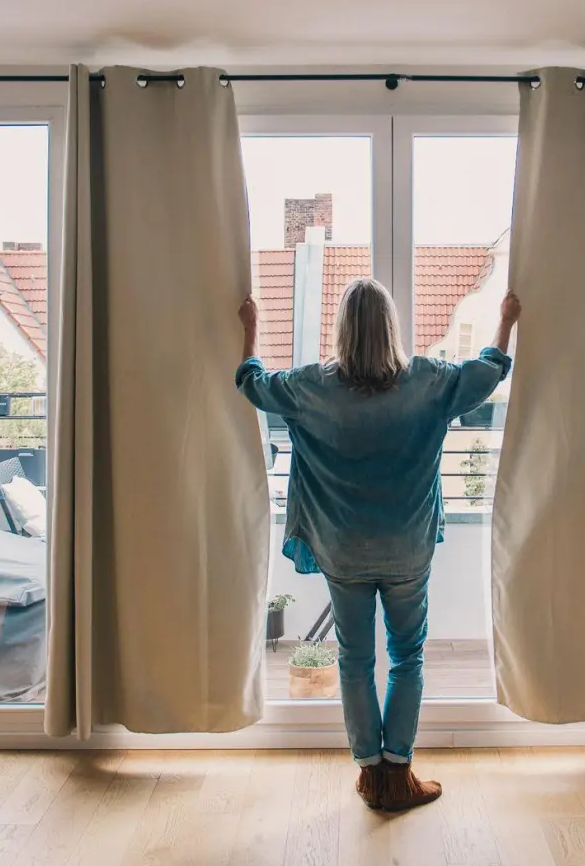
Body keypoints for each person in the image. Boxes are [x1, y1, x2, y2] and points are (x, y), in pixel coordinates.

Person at [235, 278, 519, 812]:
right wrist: (506, 319)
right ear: (391, 327)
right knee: (407, 656)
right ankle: (398, 774)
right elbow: (487, 372)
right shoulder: (429, 383)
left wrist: (250, 332)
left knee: (354, 659)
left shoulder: (310, 387)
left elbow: (253, 384)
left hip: (344, 550)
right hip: (407, 549)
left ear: (343, 329)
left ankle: (369, 774)